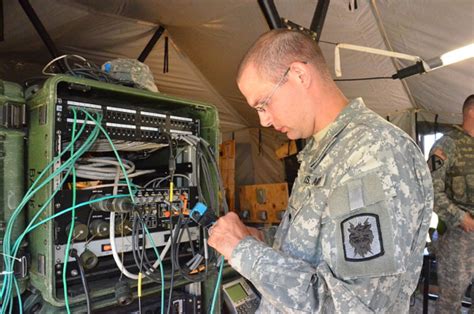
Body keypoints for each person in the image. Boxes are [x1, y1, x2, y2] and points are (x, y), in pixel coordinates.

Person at [207, 29, 433, 313]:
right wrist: (265, 241)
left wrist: (243, 251)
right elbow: (321, 242)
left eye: (264, 103)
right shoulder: (324, 150)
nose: (263, 120)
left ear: (300, 75)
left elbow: (352, 305)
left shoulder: (373, 153)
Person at [430, 95, 474, 314]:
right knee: (450, 300)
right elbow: (431, 191)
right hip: (457, 237)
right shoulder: (446, 145)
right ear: (472, 112)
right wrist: (461, 218)